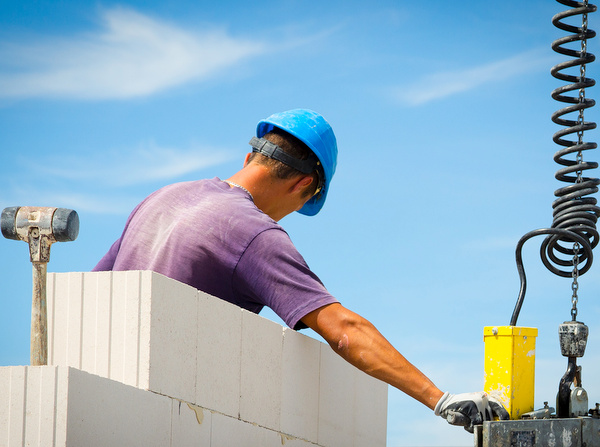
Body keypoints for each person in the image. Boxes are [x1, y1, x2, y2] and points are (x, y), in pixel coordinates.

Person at [93, 108, 508, 433]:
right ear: (303, 187)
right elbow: (343, 330)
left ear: (250, 156)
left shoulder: (162, 197)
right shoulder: (255, 233)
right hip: (171, 414)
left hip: (106, 392)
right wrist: (440, 399)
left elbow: (96, 290)